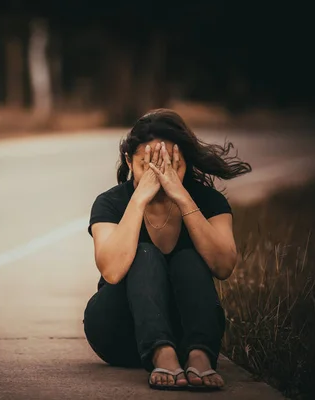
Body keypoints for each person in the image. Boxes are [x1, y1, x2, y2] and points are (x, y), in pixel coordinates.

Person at [82, 108, 252, 391]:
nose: (160, 174)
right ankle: (162, 354)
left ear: (186, 161)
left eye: (171, 165)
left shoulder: (206, 201)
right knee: (145, 254)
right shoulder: (110, 203)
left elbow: (223, 266)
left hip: (185, 334)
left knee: (188, 258)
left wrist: (182, 197)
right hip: (118, 330)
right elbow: (111, 271)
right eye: (146, 165)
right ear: (128, 161)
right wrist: (139, 198)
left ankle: (199, 356)